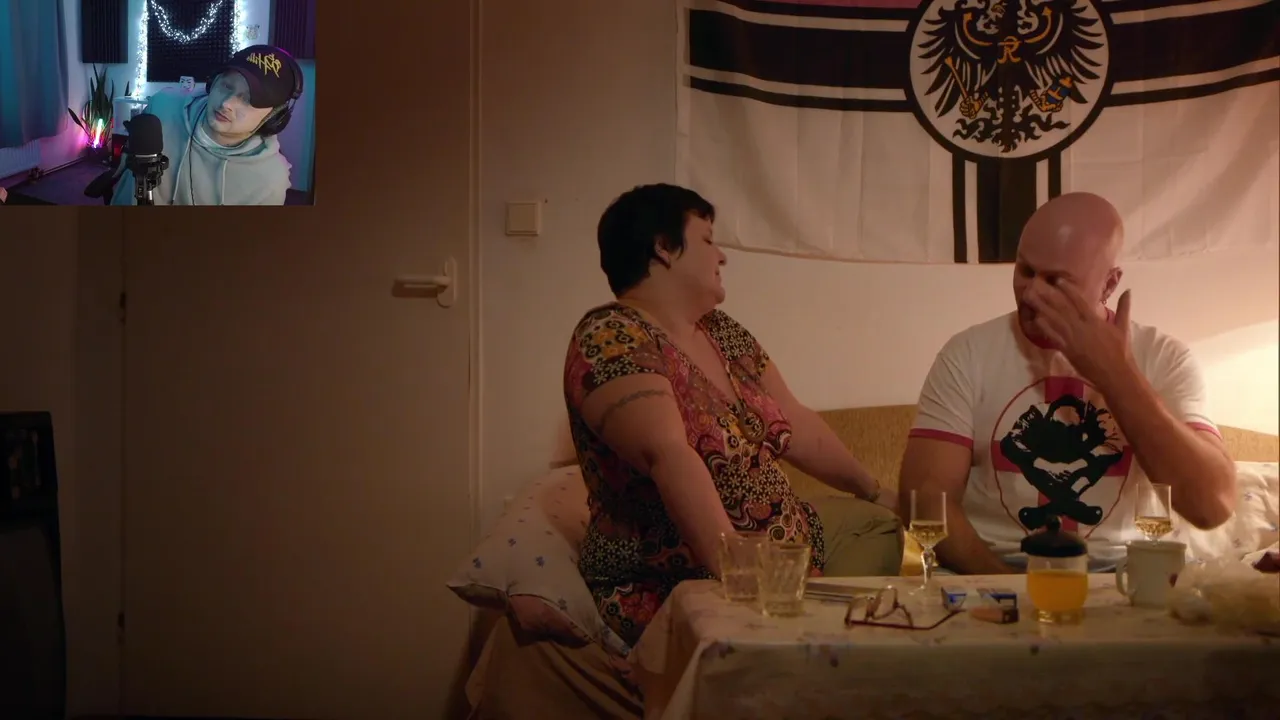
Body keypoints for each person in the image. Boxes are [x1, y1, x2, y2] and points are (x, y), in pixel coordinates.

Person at [564, 183, 900, 649]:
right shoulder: (611, 335)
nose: (721, 256)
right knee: (834, 628)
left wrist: (877, 491)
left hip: (783, 543)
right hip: (685, 577)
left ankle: (832, 640)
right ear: (663, 248)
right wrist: (742, 573)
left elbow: (793, 420)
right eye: (707, 239)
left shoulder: (722, 331)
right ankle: (810, 646)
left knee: (877, 523)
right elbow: (668, 455)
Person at [899, 192, 1236, 575]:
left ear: (1109, 285)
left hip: (1126, 575)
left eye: (1056, 281)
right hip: (996, 572)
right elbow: (925, 502)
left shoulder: (1164, 357)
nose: (1032, 293)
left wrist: (1117, 375)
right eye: (1025, 271)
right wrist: (1010, 588)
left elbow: (1211, 507)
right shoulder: (968, 354)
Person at [108, 44, 301, 205]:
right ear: (212, 82)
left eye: (248, 100)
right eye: (226, 86)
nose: (226, 103)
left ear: (274, 117)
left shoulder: (269, 181)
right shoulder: (162, 104)